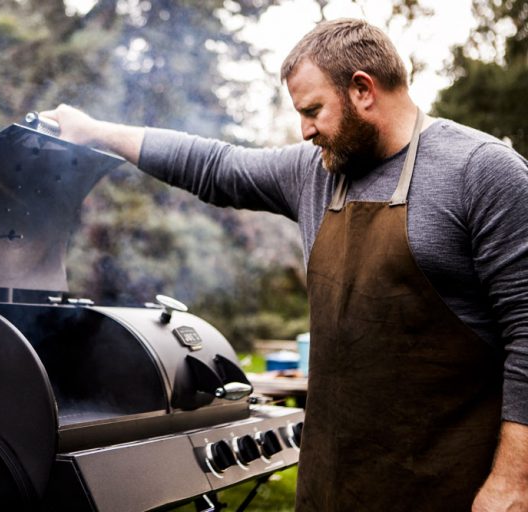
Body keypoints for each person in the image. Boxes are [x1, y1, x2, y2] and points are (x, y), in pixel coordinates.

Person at [40, 18, 528, 512]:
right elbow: (215, 166)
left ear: (363, 90)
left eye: (313, 110)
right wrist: (97, 133)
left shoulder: (482, 173)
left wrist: (513, 484)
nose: (305, 130)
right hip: (331, 488)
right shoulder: (315, 173)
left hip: (448, 490)